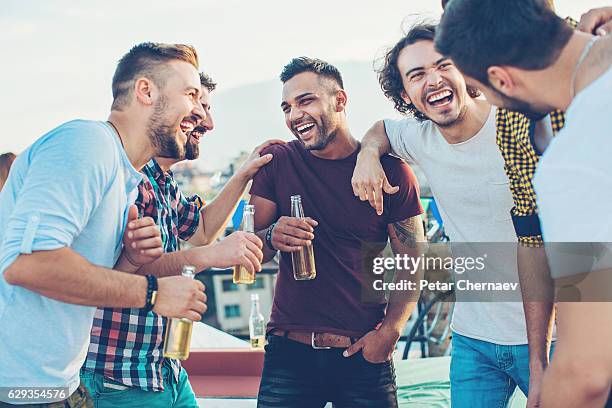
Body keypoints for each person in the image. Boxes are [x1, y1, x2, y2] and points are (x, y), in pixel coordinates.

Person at [0, 43, 244, 407]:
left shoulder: (123, 175)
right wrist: (154, 293)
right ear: (145, 91)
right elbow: (27, 263)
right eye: (191, 94)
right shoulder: (87, 142)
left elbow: (86, 282)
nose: (199, 113)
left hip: (61, 386)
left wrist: (129, 260)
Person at [351, 23, 539, 408]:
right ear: (406, 94)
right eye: (417, 75)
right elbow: (380, 130)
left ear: (465, 70)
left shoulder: (515, 127)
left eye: (443, 65)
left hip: (548, 336)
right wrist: (367, 154)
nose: (433, 80)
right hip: (473, 342)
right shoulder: (421, 136)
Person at [436, 1, 612, 406]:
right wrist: (539, 365)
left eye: (484, 91)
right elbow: (530, 236)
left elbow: (587, 371)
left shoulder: (569, 163)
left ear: (501, 78)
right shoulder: (524, 132)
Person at [81, 72, 274, 408]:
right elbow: (121, 273)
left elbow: (200, 229)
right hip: (119, 376)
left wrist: (244, 173)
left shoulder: (163, 181)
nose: (208, 123)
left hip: (163, 370)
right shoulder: (131, 177)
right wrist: (212, 256)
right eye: (198, 110)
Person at [251, 57, 425, 408]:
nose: (294, 115)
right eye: (287, 107)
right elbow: (252, 250)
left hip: (363, 354)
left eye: (305, 101)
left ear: (340, 100)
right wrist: (271, 236)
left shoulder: (391, 172)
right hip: (290, 355)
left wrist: (390, 333)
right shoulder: (277, 162)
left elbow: (414, 259)